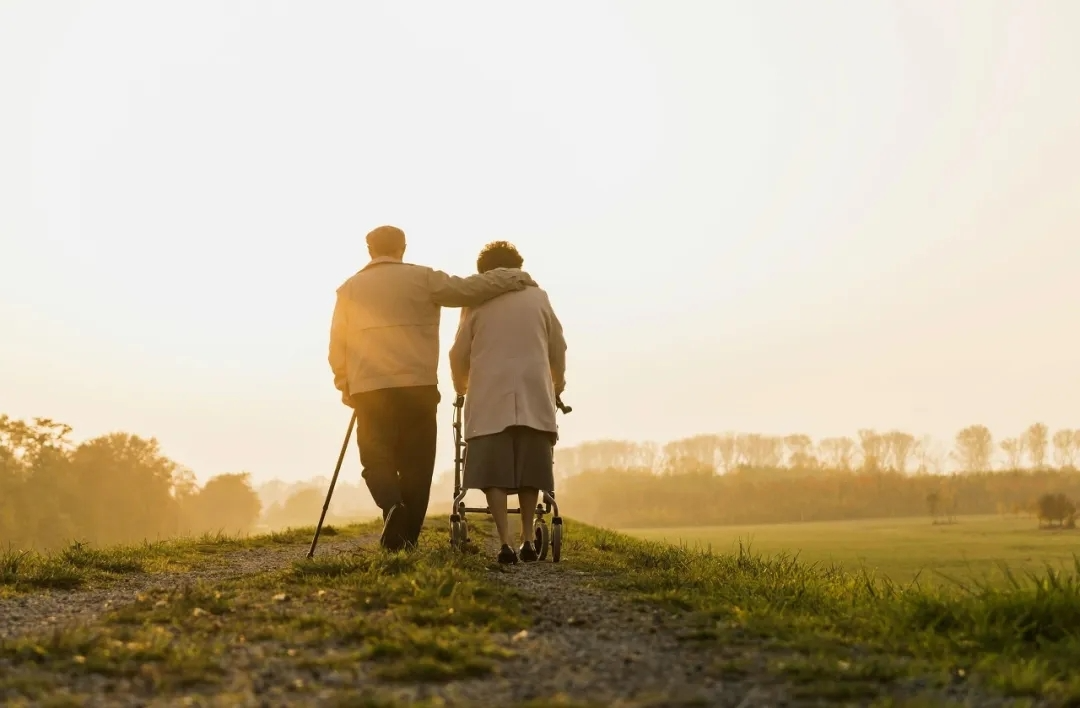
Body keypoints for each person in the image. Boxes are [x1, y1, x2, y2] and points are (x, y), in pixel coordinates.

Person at [329, 225, 536, 551]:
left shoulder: (349, 290)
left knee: (375, 459)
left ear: (369, 249)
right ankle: (406, 540)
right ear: (403, 247)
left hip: (369, 388)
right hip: (418, 385)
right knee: (417, 464)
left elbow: (336, 346)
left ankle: (392, 506)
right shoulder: (423, 279)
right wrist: (514, 277)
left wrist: (344, 384)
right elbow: (471, 290)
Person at [449, 240, 566, 564]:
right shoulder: (538, 297)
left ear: (484, 271)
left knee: (494, 472)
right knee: (531, 471)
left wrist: (461, 387)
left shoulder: (476, 301)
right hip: (533, 393)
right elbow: (558, 346)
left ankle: (504, 542)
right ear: (518, 266)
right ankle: (529, 537)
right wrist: (558, 384)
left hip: (489, 396)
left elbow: (458, 353)